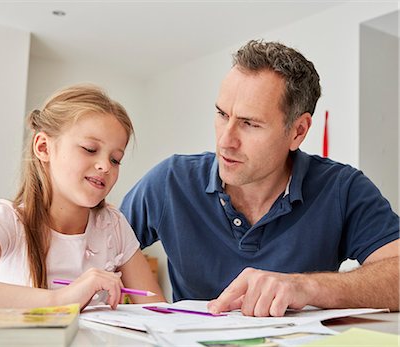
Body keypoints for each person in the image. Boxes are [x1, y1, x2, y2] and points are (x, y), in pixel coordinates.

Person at [120, 40, 399, 317]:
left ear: (298, 132)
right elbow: (95, 250)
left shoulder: (342, 188)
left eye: (250, 124)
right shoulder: (170, 181)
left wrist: (307, 287)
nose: (225, 141)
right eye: (221, 114)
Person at [0, 84, 165, 313]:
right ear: (43, 147)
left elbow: (158, 312)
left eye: (115, 159)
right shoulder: (8, 221)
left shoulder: (113, 225)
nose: (105, 166)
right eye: (90, 149)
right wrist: (60, 300)